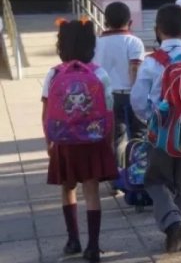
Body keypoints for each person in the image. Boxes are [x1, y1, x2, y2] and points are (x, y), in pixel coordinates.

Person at [130, 4, 181, 253]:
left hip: (161, 131)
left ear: (157, 30)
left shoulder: (152, 63)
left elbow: (138, 101)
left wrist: (149, 120)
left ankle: (173, 223)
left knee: (156, 180)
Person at [42, 19, 117, 262]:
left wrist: (49, 140)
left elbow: (46, 110)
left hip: (64, 140)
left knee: (68, 187)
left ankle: (73, 239)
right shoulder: (99, 73)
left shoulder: (53, 74)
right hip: (93, 138)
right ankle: (93, 246)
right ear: (90, 46)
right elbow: (109, 109)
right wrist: (109, 138)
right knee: (92, 190)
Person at [93, 2, 145, 184]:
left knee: (114, 138)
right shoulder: (134, 41)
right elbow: (134, 69)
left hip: (107, 97)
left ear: (105, 21)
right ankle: (138, 176)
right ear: (130, 22)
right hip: (131, 93)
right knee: (137, 137)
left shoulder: (97, 43)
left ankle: (115, 180)